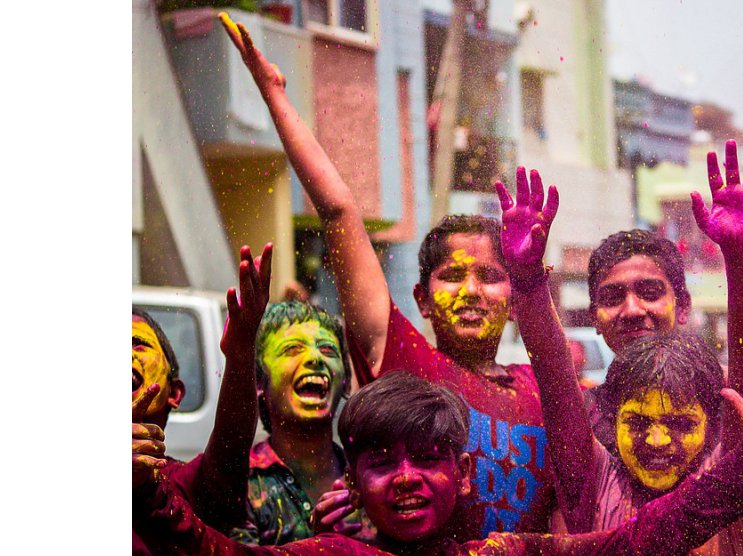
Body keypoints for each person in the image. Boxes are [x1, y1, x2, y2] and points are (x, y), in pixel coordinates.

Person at [219, 12, 555, 539]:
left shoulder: (546, 389)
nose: (470, 291)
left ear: (514, 294)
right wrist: (275, 96)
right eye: (451, 277)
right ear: (421, 299)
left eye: (490, 276)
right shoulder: (405, 364)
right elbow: (338, 213)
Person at [133, 372, 743, 555]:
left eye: (428, 459)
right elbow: (208, 550)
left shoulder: (506, 553)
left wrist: (741, 477)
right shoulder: (327, 555)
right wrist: (143, 493)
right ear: (354, 477)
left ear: (463, 474)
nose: (405, 477)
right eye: (380, 462)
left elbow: (633, 543)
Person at [495, 163, 743, 556]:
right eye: (636, 423)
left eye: (680, 423)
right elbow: (554, 379)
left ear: (684, 305)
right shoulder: (592, 470)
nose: (633, 310)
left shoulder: (731, 445)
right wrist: (526, 280)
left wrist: (742, 258)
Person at [132, 244, 273, 553]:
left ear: (175, 393)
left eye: (137, 343)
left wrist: (241, 350)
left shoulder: (180, 484)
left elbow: (229, 454)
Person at [227, 301, 375, 545]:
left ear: (346, 383)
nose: (315, 357)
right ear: (259, 382)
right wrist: (321, 548)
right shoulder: (240, 484)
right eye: (292, 349)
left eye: (328, 350)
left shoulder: (370, 478)